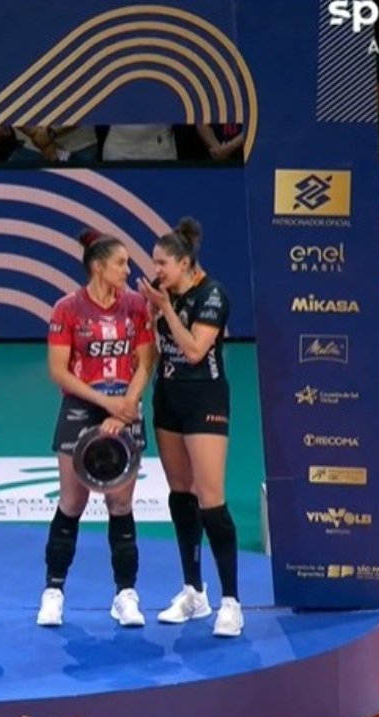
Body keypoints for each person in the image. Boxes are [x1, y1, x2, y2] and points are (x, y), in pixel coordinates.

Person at [37, 229, 154, 629]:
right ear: (98, 266)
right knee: (72, 502)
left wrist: (125, 411)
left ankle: (125, 594)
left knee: (120, 504)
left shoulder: (137, 306)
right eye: (121, 262)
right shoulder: (67, 308)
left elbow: (145, 363)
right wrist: (108, 405)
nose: (128, 269)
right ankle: (53, 592)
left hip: (126, 410)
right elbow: (57, 372)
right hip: (82, 409)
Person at [137, 217, 244, 638]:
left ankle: (232, 601)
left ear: (185, 262)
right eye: (154, 262)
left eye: (163, 262)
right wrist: (152, 311)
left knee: (211, 502)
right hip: (168, 399)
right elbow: (155, 349)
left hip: (205, 400)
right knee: (180, 497)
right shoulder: (166, 294)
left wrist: (163, 309)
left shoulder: (212, 294)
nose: (156, 269)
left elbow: (197, 350)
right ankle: (194, 591)